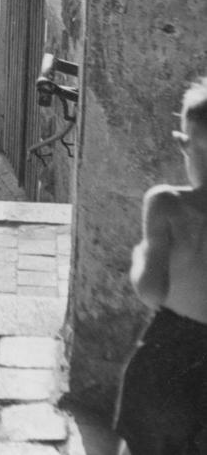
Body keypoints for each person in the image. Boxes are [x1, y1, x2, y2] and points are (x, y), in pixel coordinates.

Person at [114, 76, 207, 455]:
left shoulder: (166, 205)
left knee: (144, 442)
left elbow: (150, 291)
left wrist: (139, 257)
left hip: (171, 351)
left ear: (183, 144)